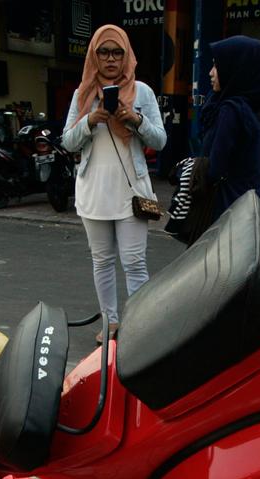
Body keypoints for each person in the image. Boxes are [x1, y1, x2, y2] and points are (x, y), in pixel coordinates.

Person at [62, 24, 167, 344]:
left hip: (130, 193)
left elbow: (160, 140)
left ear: (127, 56)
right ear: (94, 55)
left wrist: (134, 119)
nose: (110, 59)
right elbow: (67, 142)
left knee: (134, 262)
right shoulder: (82, 94)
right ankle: (110, 322)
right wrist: (89, 122)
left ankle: (138, 322)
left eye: (117, 52)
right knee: (102, 261)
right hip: (94, 191)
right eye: (104, 52)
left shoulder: (143, 93)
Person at [201, 35, 260, 222]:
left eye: (217, 66)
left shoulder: (231, 110)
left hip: (226, 210)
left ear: (236, 69)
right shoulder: (247, 108)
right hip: (246, 207)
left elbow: (215, 168)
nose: (211, 72)